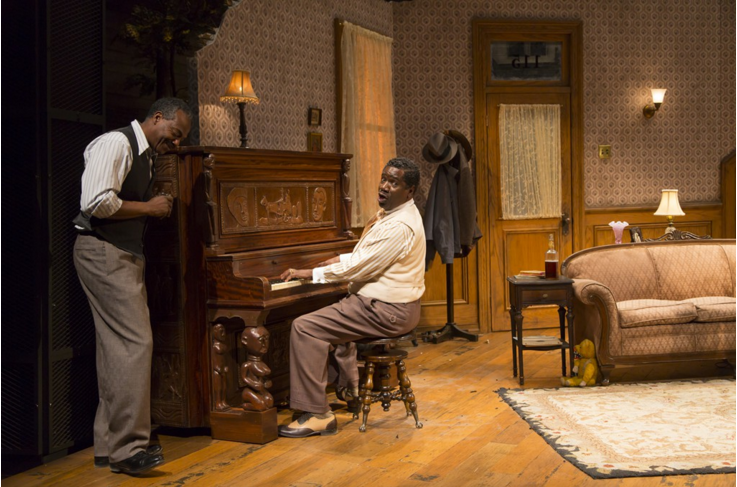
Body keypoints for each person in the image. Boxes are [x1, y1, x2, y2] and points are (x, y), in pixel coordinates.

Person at [72, 97, 192, 474]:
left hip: (119, 253)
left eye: (180, 140)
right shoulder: (117, 143)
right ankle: (129, 450)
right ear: (157, 118)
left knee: (116, 350)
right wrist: (150, 208)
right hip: (104, 251)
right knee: (135, 344)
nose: (175, 144)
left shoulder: (145, 153)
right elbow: (97, 202)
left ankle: (109, 444)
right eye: (174, 135)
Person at [277, 157, 426, 438]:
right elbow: (372, 256)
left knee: (305, 327)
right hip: (384, 306)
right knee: (326, 316)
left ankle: (318, 414)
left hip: (385, 310)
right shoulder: (393, 214)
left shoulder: (400, 225)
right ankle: (348, 387)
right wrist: (338, 258)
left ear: (410, 191)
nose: (384, 186)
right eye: (384, 178)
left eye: (393, 183)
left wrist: (311, 273)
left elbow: (362, 267)